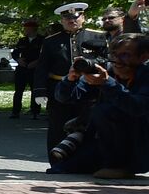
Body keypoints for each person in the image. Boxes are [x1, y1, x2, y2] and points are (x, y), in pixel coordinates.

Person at [49, 33, 149, 178]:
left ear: (143, 57)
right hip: (105, 142)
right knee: (61, 169)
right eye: (114, 55)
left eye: (125, 55)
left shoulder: (145, 76)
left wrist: (107, 84)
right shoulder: (106, 72)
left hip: (140, 143)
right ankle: (104, 161)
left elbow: (137, 107)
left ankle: (119, 166)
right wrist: (70, 80)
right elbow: (64, 97)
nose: (117, 61)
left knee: (104, 111)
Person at [35, 2, 104, 163]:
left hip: (89, 87)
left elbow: (105, 59)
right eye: (67, 18)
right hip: (59, 87)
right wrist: (40, 91)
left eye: (75, 17)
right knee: (58, 125)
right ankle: (57, 163)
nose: (71, 20)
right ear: (61, 20)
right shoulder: (51, 41)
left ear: (83, 18)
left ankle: (85, 162)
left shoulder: (97, 37)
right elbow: (42, 67)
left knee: (87, 124)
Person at [9, 17, 44, 119]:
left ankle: (35, 111)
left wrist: (37, 62)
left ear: (33, 29)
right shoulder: (22, 40)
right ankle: (15, 111)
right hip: (22, 68)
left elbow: (44, 55)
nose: (26, 31)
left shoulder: (42, 40)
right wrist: (18, 60)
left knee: (35, 90)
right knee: (18, 90)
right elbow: (15, 53)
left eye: (27, 28)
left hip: (35, 68)